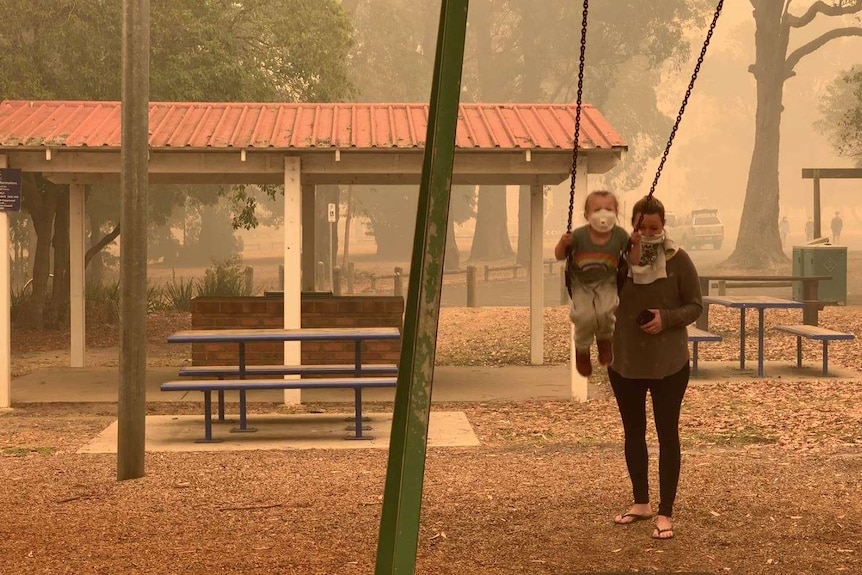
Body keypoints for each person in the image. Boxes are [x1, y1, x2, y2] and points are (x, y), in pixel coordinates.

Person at [609, 196, 703, 541]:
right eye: (641, 227)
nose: (647, 233)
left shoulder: (678, 261)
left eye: (654, 227)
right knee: (634, 433)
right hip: (626, 362)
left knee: (667, 434)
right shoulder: (619, 262)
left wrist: (667, 318)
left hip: (669, 364)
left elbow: (695, 306)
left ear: (663, 227)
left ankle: (665, 512)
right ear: (631, 226)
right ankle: (641, 503)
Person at [554, 190, 629, 377]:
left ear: (616, 212)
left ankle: (605, 339)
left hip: (607, 280)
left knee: (606, 310)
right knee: (584, 316)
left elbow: (633, 259)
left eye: (608, 209)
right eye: (597, 209)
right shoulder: (578, 235)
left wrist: (634, 243)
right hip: (581, 282)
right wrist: (563, 243)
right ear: (587, 215)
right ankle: (582, 348)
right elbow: (559, 255)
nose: (603, 214)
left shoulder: (620, 236)